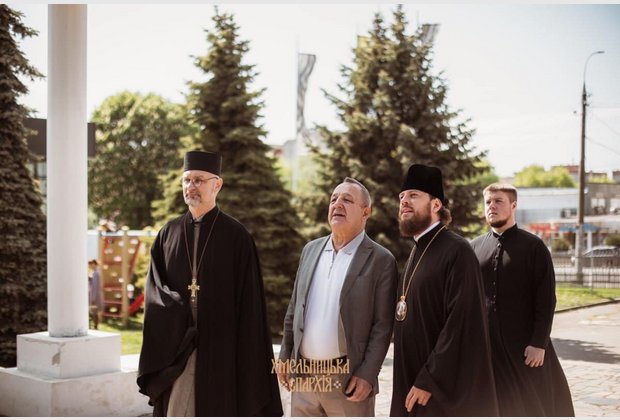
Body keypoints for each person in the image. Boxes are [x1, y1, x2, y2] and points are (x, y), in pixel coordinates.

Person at [137, 150, 282, 417]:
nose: (191, 186)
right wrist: (178, 317)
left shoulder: (237, 237)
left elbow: (250, 303)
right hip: (178, 347)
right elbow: (155, 290)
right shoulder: (168, 233)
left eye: (199, 180)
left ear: (217, 185)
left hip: (222, 349)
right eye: (187, 180)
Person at [279, 177, 397, 416]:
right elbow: (294, 308)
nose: (337, 204)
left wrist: (367, 374)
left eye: (347, 200)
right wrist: (285, 355)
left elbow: (383, 326)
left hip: (348, 381)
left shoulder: (381, 260)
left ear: (366, 212)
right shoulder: (310, 250)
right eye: (334, 199)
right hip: (304, 378)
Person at [390, 163, 498, 416]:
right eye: (402, 196)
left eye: (413, 195)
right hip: (412, 378)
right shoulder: (417, 249)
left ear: (436, 204)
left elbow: (461, 323)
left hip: (440, 389)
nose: (404, 201)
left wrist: (430, 378)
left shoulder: (457, 250)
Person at [471, 183, 574, 416]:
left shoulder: (534, 246)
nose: (492, 206)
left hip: (525, 348)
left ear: (513, 205)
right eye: (488, 202)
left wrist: (539, 343)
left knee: (532, 407)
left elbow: (546, 299)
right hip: (488, 348)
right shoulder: (474, 247)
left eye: (498, 201)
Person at [88, 259, 103, 329]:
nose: (90, 266)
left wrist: (93, 298)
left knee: (94, 312)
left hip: (95, 297)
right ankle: (95, 326)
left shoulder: (96, 273)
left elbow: (95, 287)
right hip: (95, 296)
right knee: (94, 312)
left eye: (90, 265)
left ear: (94, 264)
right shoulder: (95, 273)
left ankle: (95, 326)